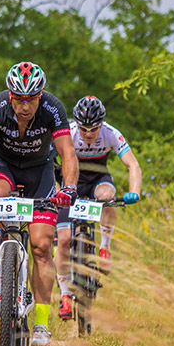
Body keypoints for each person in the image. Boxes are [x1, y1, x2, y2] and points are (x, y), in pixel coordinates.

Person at [0, 61, 79, 346]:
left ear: (40, 95)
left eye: (31, 99)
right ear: (10, 95)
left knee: (42, 246)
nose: (25, 106)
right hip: (3, 166)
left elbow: (67, 152)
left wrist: (69, 187)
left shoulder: (53, 108)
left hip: (40, 172)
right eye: (19, 99)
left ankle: (42, 324)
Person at [54, 95, 141, 320]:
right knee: (63, 240)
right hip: (70, 185)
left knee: (107, 196)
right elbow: (46, 162)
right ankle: (64, 295)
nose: (89, 134)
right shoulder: (68, 133)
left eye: (93, 129)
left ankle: (104, 248)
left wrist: (134, 191)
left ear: (101, 124)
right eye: (84, 129)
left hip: (97, 181)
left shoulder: (111, 133)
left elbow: (133, 164)